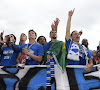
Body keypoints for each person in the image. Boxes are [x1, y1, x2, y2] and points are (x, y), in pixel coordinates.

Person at [44, 18, 67, 90]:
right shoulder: (47, 44)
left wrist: (56, 26)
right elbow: (45, 53)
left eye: (55, 32)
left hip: (58, 65)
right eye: (52, 33)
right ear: (49, 35)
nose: (54, 33)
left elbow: (61, 53)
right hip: (49, 65)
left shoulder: (60, 43)